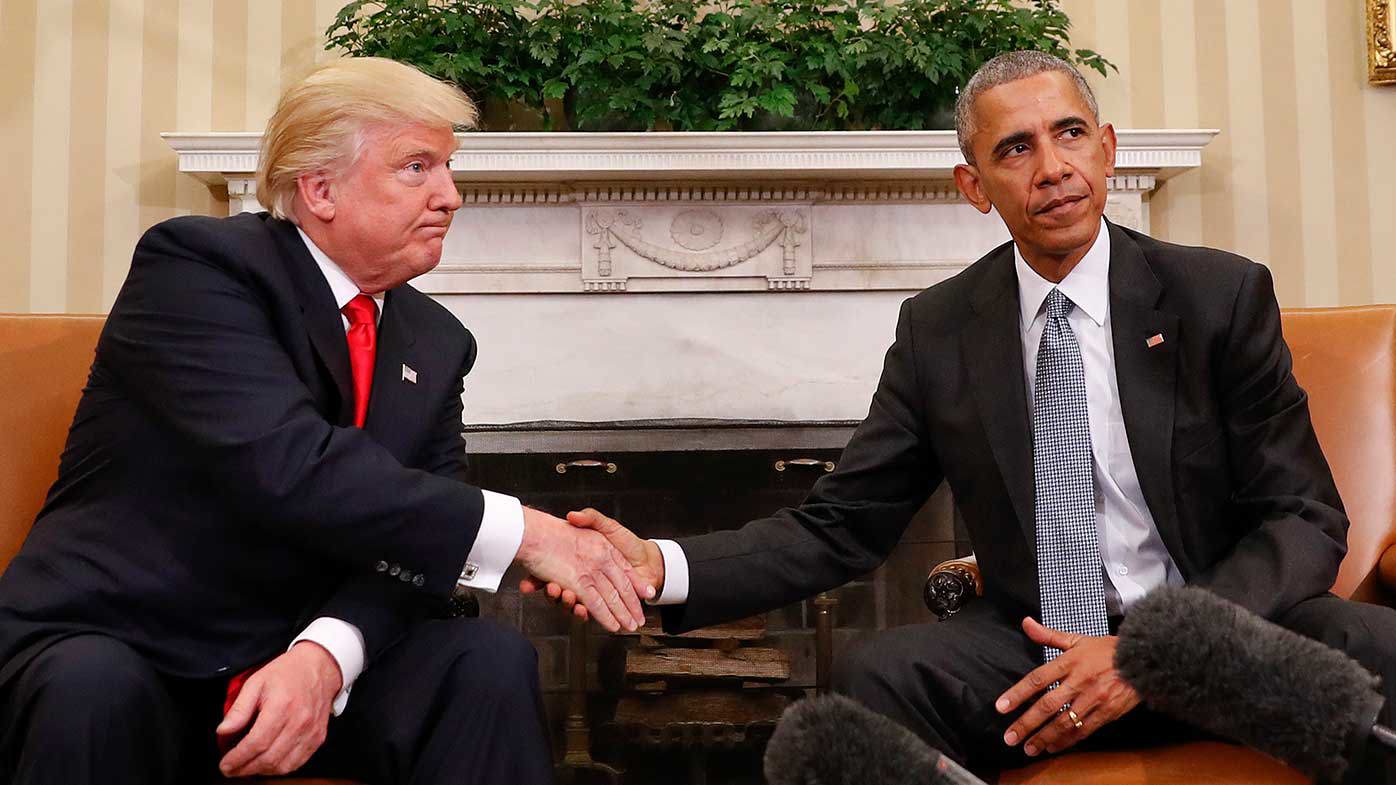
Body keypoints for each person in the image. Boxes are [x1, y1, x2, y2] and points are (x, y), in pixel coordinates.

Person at [529, 51, 1396, 783]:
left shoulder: (1219, 295)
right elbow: (843, 524)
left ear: (1108, 149)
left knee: (1376, 644)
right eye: (1015, 149)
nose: (1052, 166)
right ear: (974, 185)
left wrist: (1151, 655)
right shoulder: (940, 327)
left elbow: (1304, 519)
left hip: (1216, 639)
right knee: (877, 676)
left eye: (1069, 134)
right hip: (1039, 654)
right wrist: (659, 566)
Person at [0, 57, 651, 785]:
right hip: (133, 642)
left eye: (448, 168)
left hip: (297, 655)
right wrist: (530, 533)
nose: (452, 196)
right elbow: (292, 466)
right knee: (91, 688)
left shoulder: (437, 342)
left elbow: (415, 553)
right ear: (319, 190)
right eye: (418, 167)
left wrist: (325, 656)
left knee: (486, 661)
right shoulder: (200, 269)